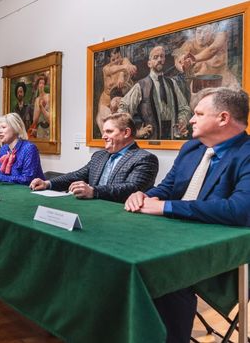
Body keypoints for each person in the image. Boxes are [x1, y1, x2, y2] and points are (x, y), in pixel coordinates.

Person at [124, 87, 250, 343]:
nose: (191, 119)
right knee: (123, 256)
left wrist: (166, 207)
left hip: (224, 255)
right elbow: (167, 187)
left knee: (162, 274)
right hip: (174, 237)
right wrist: (145, 195)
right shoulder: (191, 149)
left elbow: (240, 210)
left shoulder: (246, 154)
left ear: (223, 118)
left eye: (199, 114)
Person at [30, 113, 158, 202]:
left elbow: (131, 189)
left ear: (126, 132)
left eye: (109, 131)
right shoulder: (99, 156)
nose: (103, 136)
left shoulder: (145, 158)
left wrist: (93, 191)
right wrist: (48, 183)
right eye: (103, 132)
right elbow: (77, 175)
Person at [118, 46, 192, 140]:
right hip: (150, 140)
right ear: (149, 63)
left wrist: (182, 121)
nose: (159, 60)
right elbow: (123, 108)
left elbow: (184, 108)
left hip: (172, 139)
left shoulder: (172, 83)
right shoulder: (141, 85)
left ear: (164, 60)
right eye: (155, 57)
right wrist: (135, 132)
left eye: (162, 56)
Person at [0, 113, 44, 185]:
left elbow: (27, 179)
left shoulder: (29, 148)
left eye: (3, 127)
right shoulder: (3, 149)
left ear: (15, 128)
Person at [96, 48, 137, 132]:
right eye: (113, 59)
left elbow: (129, 65)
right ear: (109, 61)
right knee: (106, 125)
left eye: (118, 57)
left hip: (118, 99)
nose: (116, 61)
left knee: (121, 124)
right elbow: (113, 70)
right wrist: (124, 68)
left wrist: (122, 75)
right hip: (105, 102)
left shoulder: (125, 60)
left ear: (120, 55)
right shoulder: (106, 68)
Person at [29, 74, 50, 139]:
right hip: (40, 129)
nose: (41, 85)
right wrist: (39, 106)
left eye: (43, 83)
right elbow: (35, 120)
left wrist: (42, 107)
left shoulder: (49, 96)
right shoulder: (37, 100)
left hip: (49, 128)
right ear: (37, 85)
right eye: (40, 83)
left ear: (45, 85)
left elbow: (50, 118)